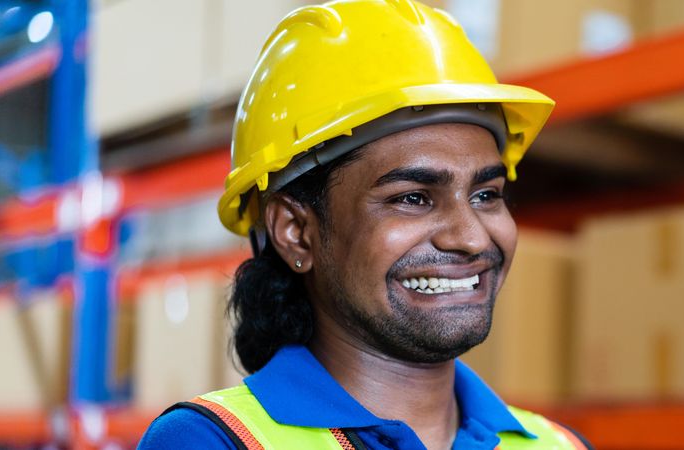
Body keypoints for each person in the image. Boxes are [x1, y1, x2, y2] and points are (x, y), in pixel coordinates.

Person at [138, 1, 589, 449]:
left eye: (485, 195)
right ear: (296, 230)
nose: (470, 237)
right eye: (413, 198)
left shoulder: (558, 445)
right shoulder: (211, 441)